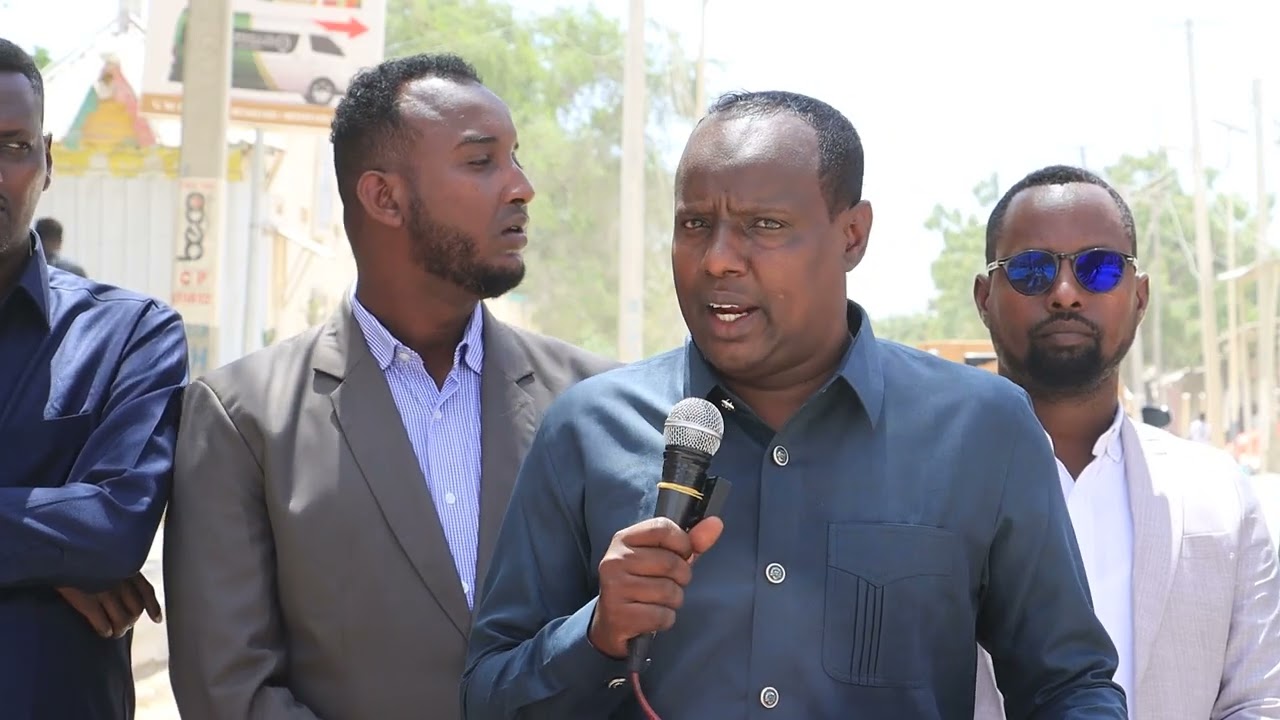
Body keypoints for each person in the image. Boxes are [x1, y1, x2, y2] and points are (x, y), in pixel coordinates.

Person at [461, 91, 1126, 719]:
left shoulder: (983, 429)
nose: (718, 260)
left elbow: (1068, 685)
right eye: (695, 224)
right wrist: (596, 635)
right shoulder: (587, 429)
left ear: (852, 235)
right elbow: (487, 694)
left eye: (765, 226)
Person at [163, 53, 617, 720]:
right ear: (384, 197)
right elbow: (229, 691)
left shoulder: (592, 402)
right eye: (481, 161)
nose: (522, 187)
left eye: (515, 158)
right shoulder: (244, 420)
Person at [971, 165, 1280, 720]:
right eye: (1033, 270)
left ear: (1139, 297)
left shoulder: (1219, 497)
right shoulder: (917, 488)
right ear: (984, 298)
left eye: (1099, 268)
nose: (1066, 294)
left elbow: (1260, 699)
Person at [0, 39, 186, 719]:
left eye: (14, 146)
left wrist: (86, 550)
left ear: (47, 160)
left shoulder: (132, 336)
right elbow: (82, 538)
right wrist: (53, 554)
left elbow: (111, 532)